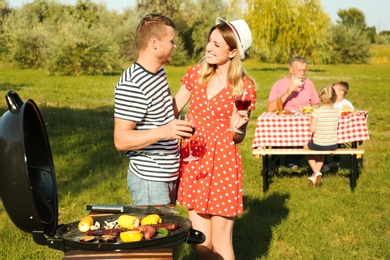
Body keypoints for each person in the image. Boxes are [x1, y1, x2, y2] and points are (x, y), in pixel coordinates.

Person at [173, 18, 256, 259]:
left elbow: (237, 137)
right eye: (209, 41)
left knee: (220, 242)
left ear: (232, 52)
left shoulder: (243, 87)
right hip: (194, 160)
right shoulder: (196, 74)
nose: (209, 48)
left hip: (222, 163)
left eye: (217, 45)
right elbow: (173, 108)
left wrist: (238, 129)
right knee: (199, 242)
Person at [113, 14, 193, 206]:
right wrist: (165, 131)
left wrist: (194, 83)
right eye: (171, 41)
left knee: (169, 234)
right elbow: (121, 140)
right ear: (154, 42)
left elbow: (164, 114)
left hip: (166, 176)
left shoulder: (158, 73)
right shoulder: (132, 84)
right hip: (150, 181)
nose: (174, 45)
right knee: (157, 234)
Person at [267, 56, 320, 169]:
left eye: (304, 70)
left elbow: (316, 104)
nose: (302, 73)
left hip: (306, 121)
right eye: (299, 70)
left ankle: (325, 160)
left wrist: (312, 110)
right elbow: (270, 108)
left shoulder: (308, 83)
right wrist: (288, 91)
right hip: (285, 123)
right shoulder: (279, 84)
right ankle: (290, 158)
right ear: (291, 70)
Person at [303, 86, 339, 186]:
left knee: (306, 148)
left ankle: (316, 171)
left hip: (319, 144)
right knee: (321, 152)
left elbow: (312, 129)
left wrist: (311, 120)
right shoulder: (336, 112)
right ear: (335, 98)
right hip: (333, 144)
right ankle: (316, 174)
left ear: (320, 98)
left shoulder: (317, 112)